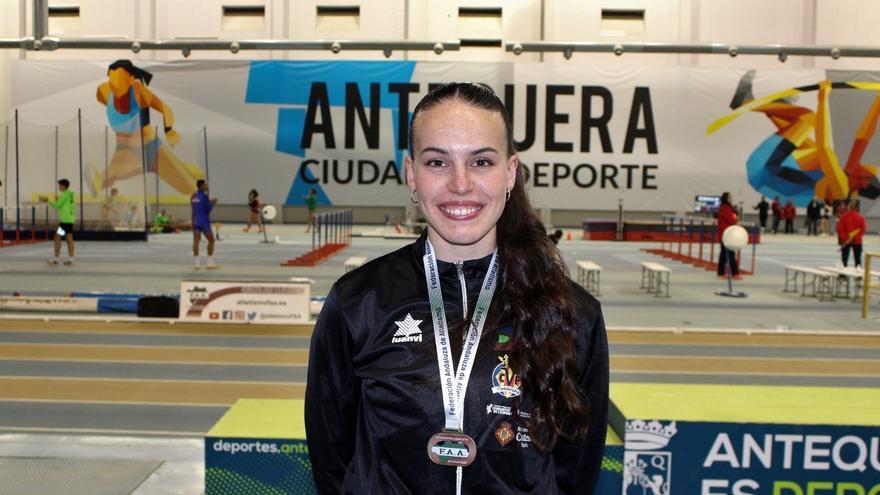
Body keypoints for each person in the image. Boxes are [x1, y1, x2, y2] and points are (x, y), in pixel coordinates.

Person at [304, 83, 609, 494]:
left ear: (510, 173)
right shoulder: (360, 302)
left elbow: (577, 470)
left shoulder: (572, 312)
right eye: (437, 162)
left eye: (481, 161)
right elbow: (331, 457)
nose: (460, 184)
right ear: (412, 174)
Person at [39, 179, 76, 266]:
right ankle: (71, 259)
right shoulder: (70, 194)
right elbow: (63, 205)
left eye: (60, 185)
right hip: (70, 219)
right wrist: (58, 200)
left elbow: (57, 206)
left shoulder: (63, 194)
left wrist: (47, 200)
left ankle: (56, 259)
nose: (59, 187)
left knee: (57, 237)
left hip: (65, 221)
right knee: (69, 239)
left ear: (63, 186)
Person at [191, 179, 218, 269]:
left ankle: (197, 263)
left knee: (196, 241)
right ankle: (209, 262)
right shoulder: (205, 196)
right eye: (206, 184)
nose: (207, 186)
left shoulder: (193, 196)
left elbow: (193, 210)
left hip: (195, 221)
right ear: (202, 186)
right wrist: (212, 203)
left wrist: (192, 222)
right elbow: (208, 209)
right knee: (211, 240)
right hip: (204, 222)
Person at [716, 192, 741, 280]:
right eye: (729, 197)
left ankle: (721, 272)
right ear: (726, 198)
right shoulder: (724, 208)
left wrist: (735, 212)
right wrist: (735, 216)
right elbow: (732, 220)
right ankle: (735, 273)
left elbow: (734, 217)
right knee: (730, 254)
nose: (731, 198)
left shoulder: (728, 208)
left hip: (726, 234)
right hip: (726, 235)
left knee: (724, 254)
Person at [837, 201, 867, 268]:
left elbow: (839, 229)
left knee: (844, 259)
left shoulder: (843, 217)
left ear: (849, 208)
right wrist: (856, 237)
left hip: (846, 240)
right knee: (857, 259)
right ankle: (858, 275)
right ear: (857, 208)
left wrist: (845, 237)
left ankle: (843, 274)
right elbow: (862, 229)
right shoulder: (861, 218)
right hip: (857, 241)